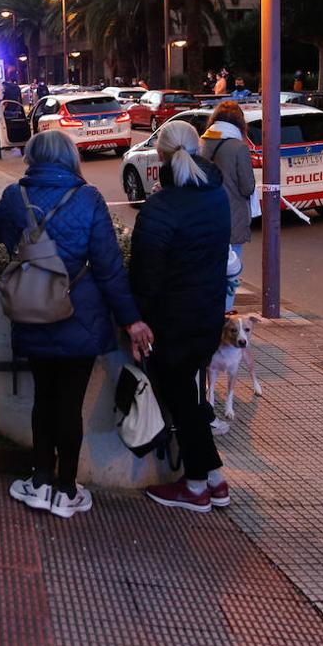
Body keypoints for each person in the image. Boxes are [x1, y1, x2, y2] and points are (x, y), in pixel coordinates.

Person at [0, 131, 152, 518]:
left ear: (34, 157)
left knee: (43, 398)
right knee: (70, 404)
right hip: (80, 316)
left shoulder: (15, 196)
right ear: (69, 157)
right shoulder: (87, 198)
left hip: (32, 311)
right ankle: (66, 489)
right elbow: (109, 268)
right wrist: (132, 320)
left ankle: (39, 480)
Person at [130, 120, 232, 513]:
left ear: (160, 158)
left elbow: (145, 275)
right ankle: (215, 480)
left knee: (182, 401)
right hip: (206, 316)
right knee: (187, 397)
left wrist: (136, 321)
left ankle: (195, 486)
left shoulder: (161, 207)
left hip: (170, 324)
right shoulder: (216, 196)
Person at [201, 101, 256, 312]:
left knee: (210, 269)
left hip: (206, 217)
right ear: (240, 123)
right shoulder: (239, 147)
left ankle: (208, 311)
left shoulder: (204, 142)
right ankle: (225, 313)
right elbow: (248, 186)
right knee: (231, 271)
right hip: (233, 218)